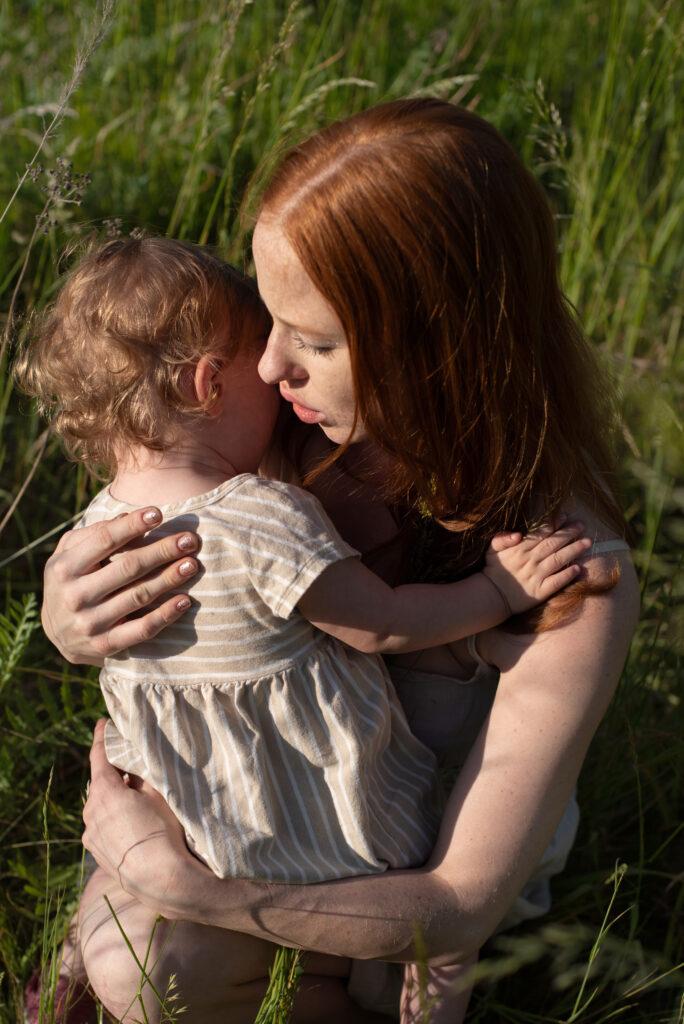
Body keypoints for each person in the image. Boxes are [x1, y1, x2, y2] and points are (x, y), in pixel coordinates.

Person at [37, 99, 639, 1023]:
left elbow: (457, 900)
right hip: (246, 821)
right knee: (140, 969)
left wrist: (195, 891)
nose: (270, 367)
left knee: (220, 963)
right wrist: (70, 616)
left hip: (401, 892)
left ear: (441, 348)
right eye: (271, 322)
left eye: (313, 341)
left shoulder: (566, 571)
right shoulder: (271, 440)